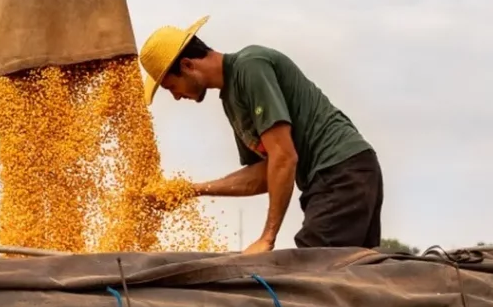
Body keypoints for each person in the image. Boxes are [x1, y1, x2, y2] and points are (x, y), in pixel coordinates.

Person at [139, 15, 383, 255]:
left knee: (310, 270)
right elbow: (265, 173)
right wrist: (193, 189)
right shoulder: (231, 101)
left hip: (341, 171)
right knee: (349, 277)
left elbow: (284, 157)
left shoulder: (251, 66)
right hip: (335, 178)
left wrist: (267, 237)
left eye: (171, 87)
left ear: (188, 65)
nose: (176, 97)